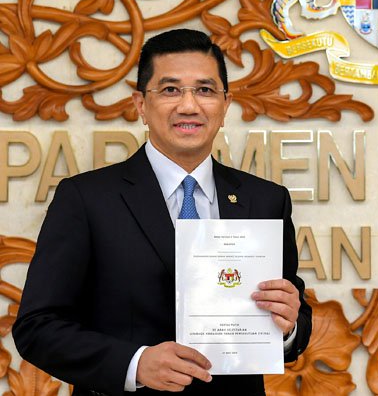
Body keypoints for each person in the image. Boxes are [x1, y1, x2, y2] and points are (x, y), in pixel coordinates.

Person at [13, 29, 311, 395]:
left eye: (205, 90)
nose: (189, 106)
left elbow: (294, 316)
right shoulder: (86, 199)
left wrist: (289, 326)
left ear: (225, 105)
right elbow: (37, 327)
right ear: (140, 104)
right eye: (170, 90)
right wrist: (134, 364)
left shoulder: (265, 200)